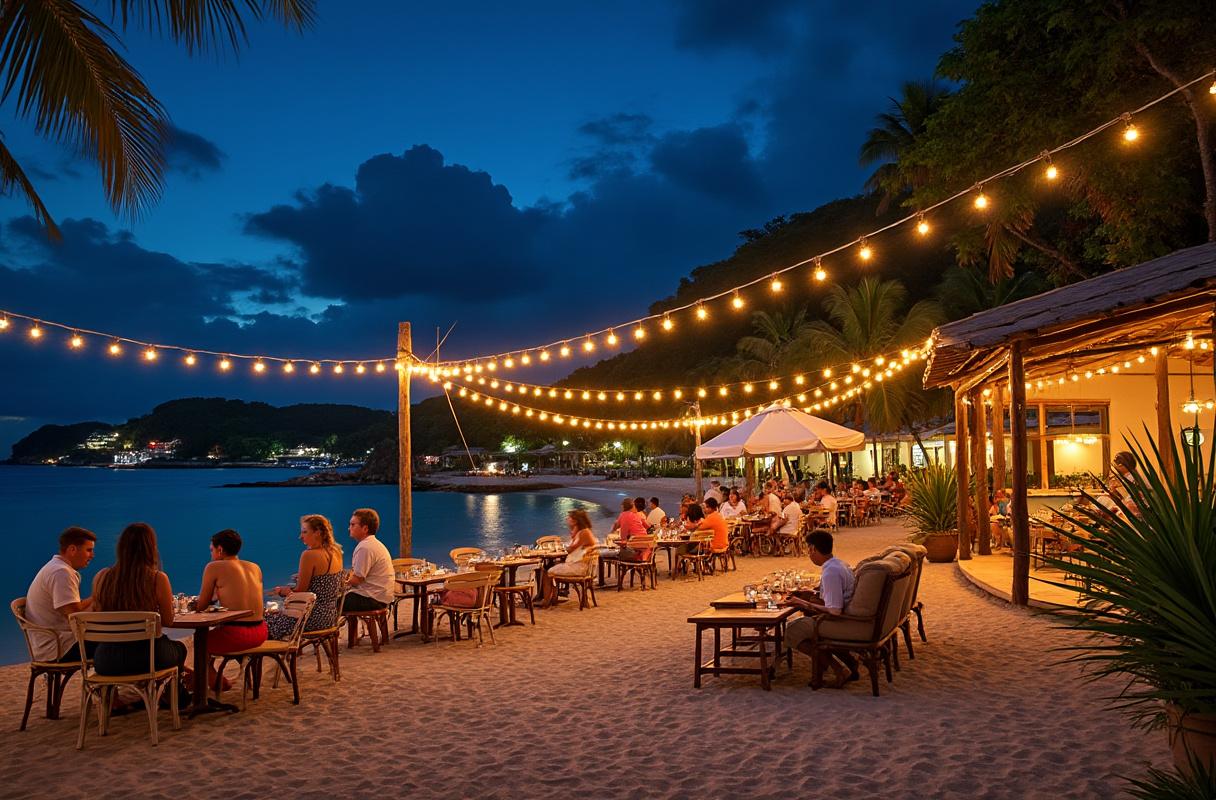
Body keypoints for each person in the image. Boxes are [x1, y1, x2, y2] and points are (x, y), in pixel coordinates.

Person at [90, 523, 187, 676]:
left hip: (106, 659)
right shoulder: (157, 578)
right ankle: (170, 696)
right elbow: (168, 621)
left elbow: (97, 615)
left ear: (121, 547)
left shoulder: (101, 577)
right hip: (147, 657)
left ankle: (112, 697)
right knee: (180, 649)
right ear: (151, 548)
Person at [781, 529, 858, 687]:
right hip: (848, 617)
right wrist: (811, 592)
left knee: (792, 631)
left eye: (808, 549)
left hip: (838, 622)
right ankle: (846, 663)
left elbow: (835, 610)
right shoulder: (840, 564)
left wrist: (801, 603)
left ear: (813, 549)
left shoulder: (831, 572)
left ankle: (838, 668)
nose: (809, 554)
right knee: (804, 623)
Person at [197, 529, 266, 691]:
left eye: (211, 550)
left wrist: (200, 603)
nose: (211, 555)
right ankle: (214, 680)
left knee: (199, 641)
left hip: (237, 636)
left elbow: (201, 606)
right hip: (261, 632)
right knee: (210, 638)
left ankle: (217, 683)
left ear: (220, 550)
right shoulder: (254, 567)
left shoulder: (214, 567)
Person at [24, 526, 97, 663]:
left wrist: (96, 599)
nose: (92, 555)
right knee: (114, 644)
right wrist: (98, 597)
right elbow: (73, 614)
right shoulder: (61, 573)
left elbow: (74, 608)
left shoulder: (55, 567)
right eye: (89, 550)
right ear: (72, 550)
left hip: (52, 643)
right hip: (58, 647)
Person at [267, 514, 344, 639]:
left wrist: (282, 591)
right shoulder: (336, 552)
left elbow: (299, 591)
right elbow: (327, 581)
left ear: (317, 532)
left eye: (304, 532)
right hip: (330, 616)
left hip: (310, 617)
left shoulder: (308, 555)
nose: (300, 537)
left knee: (266, 620)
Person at [541, 509, 599, 606]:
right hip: (582, 566)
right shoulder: (583, 531)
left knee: (547, 572)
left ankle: (546, 601)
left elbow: (570, 549)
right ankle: (553, 598)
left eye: (569, 518)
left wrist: (573, 536)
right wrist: (574, 533)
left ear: (575, 521)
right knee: (552, 567)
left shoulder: (584, 533)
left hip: (580, 568)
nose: (567, 519)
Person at [344, 508, 395, 612]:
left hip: (372, 598)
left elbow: (357, 579)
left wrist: (342, 583)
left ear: (365, 529)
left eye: (353, 525)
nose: (349, 528)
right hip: (383, 595)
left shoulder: (365, 547)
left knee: (329, 604)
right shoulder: (374, 543)